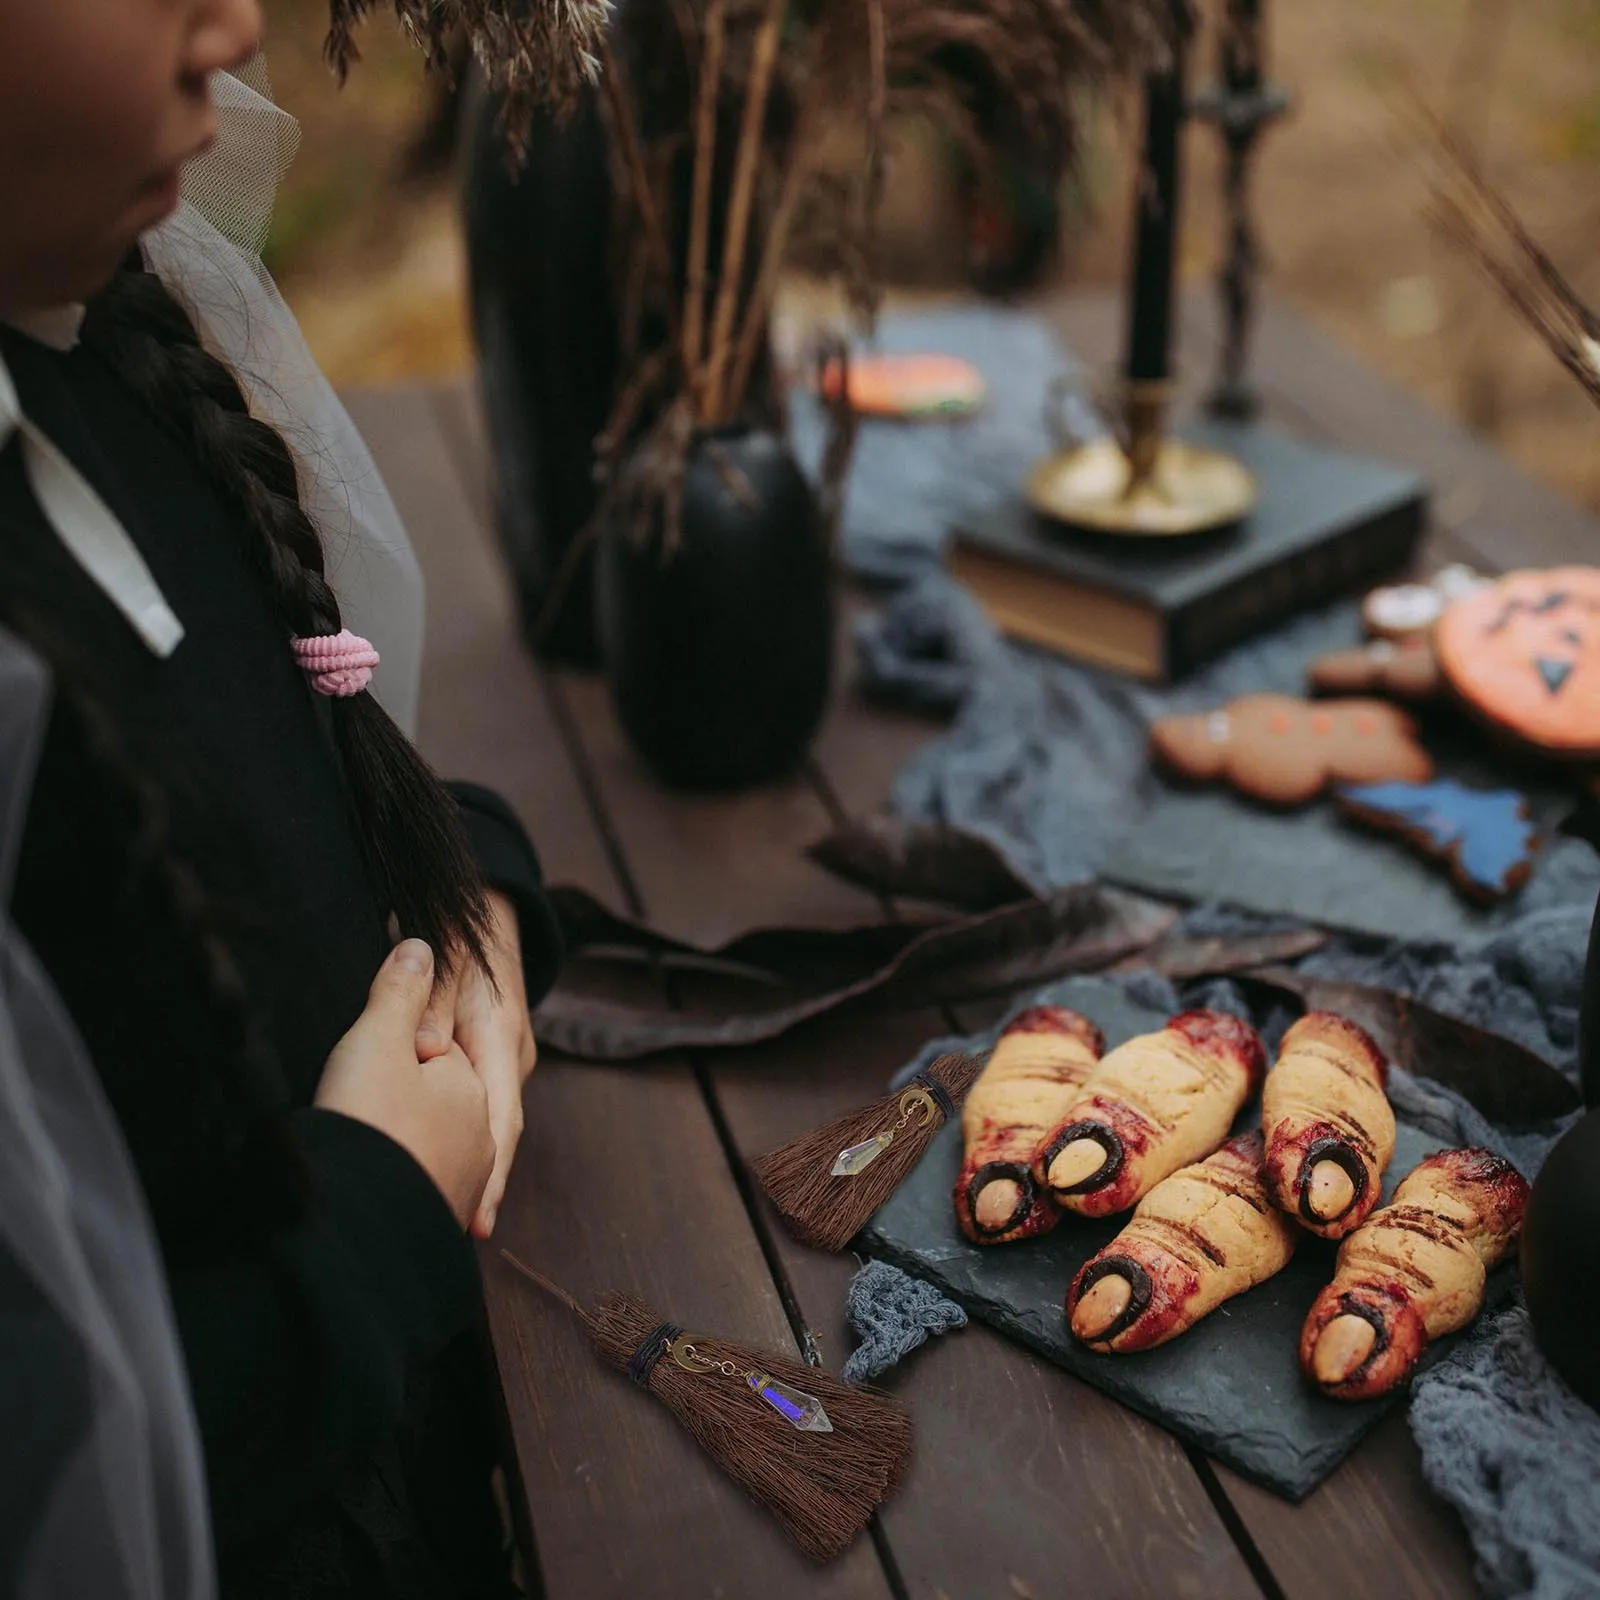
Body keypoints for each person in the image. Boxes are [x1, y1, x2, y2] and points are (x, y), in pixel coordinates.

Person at [0, 1, 566, 1594]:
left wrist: (479, 910)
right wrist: (382, 1214)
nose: (235, 25)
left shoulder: (97, 365)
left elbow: (271, 812)